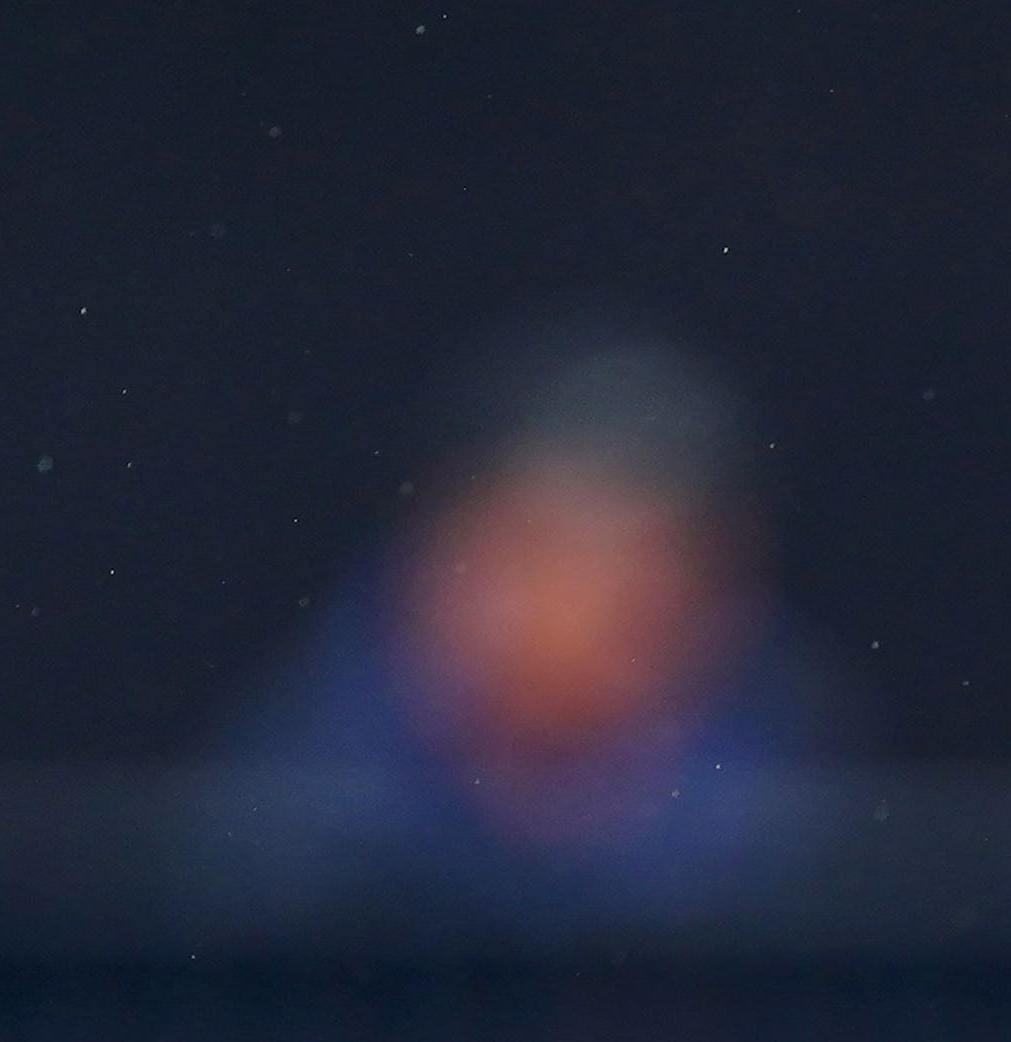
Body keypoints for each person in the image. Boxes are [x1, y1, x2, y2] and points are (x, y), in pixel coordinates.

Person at [190, 330, 832, 925]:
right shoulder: (279, 832)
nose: (573, 607)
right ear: (432, 563)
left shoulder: (806, 837)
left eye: (636, 569)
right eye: (536, 552)